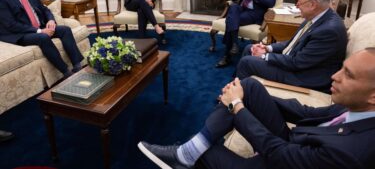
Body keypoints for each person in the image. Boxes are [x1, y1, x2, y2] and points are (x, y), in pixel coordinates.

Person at [138, 47, 375, 169]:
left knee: (205, 152)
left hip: (283, 160)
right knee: (250, 86)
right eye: (342, 68)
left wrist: (236, 106)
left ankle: (187, 154)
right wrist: (246, 98)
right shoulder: (357, 107)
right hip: (295, 144)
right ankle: (189, 150)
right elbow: (306, 113)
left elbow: (280, 154)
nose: (334, 76)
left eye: (348, 74)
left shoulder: (354, 152)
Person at [236, 0, 347, 93]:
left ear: (313, 5)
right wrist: (268, 48)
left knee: (247, 62)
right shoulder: (316, 16)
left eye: (299, 2)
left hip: (303, 76)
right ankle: (237, 87)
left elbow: (297, 62)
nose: (297, 5)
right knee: (249, 48)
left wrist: (264, 56)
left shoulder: (328, 31)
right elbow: (293, 43)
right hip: (296, 62)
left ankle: (237, 97)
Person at [0, 0, 83, 78]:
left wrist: (51, 21)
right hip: (19, 34)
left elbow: (45, 10)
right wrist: (39, 31)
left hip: (40, 27)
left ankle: (77, 65)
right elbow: (11, 25)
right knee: (43, 37)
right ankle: (65, 72)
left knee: (65, 30)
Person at [216, 0, 278, 68]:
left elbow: (271, 2)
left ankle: (227, 56)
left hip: (255, 13)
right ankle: (235, 43)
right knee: (233, 7)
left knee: (230, 19)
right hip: (241, 8)